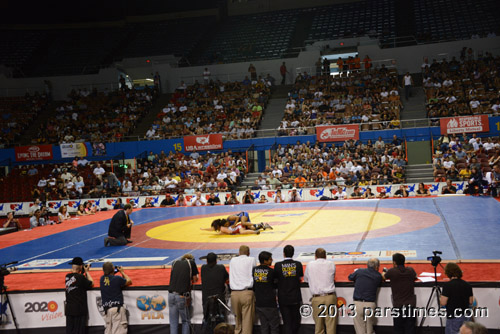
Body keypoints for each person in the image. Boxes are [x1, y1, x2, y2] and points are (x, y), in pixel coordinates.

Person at [304, 248, 337, 334]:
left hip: (317, 298)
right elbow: (333, 277)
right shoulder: (331, 264)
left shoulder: (310, 265)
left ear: (315, 256)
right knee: (331, 326)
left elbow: (306, 279)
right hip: (330, 297)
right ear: (325, 256)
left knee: (318, 327)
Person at [383, 253, 417, 334]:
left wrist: (384, 271)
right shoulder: (410, 270)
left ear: (394, 262)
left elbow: (383, 277)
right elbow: (415, 276)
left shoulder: (392, 271)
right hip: (410, 306)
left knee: (398, 330)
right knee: (410, 329)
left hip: (398, 306)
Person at [348, 258, 383, 334]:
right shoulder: (378, 276)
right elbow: (381, 279)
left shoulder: (359, 271)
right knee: (369, 329)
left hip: (358, 304)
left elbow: (350, 277)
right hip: (370, 305)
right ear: (377, 267)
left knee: (360, 330)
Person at [274, 245, 303, 334]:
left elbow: (275, 279)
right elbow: (300, 277)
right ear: (293, 253)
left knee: (287, 322)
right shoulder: (298, 264)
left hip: (283, 298)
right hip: (295, 297)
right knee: (296, 321)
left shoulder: (278, 265)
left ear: (283, 254)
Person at [229, 245, 257, 334]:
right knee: (247, 322)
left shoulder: (233, 260)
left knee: (237, 322)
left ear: (239, 252)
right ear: (248, 253)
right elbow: (254, 273)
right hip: (246, 293)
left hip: (234, 294)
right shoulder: (252, 260)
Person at [168, 253, 199, 334]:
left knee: (173, 323)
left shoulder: (174, 262)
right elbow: (195, 279)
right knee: (185, 321)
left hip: (171, 295)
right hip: (182, 295)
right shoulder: (191, 263)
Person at [440, 263, 473, 334]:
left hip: (454, 316)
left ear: (447, 273)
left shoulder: (447, 286)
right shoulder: (467, 285)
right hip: (466, 315)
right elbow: (470, 301)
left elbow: (443, 302)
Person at [100, 262, 132, 334]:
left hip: (107, 311)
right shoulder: (117, 279)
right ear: (113, 269)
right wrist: (122, 272)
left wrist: (113, 272)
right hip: (116, 310)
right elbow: (129, 281)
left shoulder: (102, 279)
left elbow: (109, 279)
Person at [65, 257, 94, 334]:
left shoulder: (67, 277)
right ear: (81, 266)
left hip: (69, 309)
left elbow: (76, 279)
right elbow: (91, 283)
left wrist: (82, 273)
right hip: (79, 310)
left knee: (70, 331)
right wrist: (87, 272)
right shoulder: (81, 277)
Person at [201, 252, 229, 331]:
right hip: (219, 299)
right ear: (216, 261)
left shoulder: (203, 268)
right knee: (221, 322)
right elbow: (227, 279)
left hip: (206, 300)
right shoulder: (221, 268)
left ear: (206, 261)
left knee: (207, 319)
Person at [253, 251, 279, 334]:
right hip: (270, 303)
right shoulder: (271, 271)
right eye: (270, 259)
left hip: (259, 303)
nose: (272, 260)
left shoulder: (254, 270)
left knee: (264, 326)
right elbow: (276, 284)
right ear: (265, 261)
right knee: (274, 327)